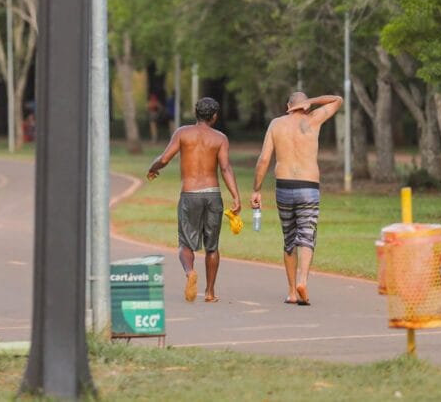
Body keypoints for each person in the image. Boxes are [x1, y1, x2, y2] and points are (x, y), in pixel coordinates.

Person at [251, 91, 343, 306]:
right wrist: (311, 102)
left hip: (283, 186)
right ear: (304, 107)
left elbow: (264, 159)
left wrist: (256, 190)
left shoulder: (276, 124)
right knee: (307, 234)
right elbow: (338, 100)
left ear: (288, 105)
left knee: (289, 238)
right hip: (308, 186)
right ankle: (303, 280)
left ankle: (292, 292)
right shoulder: (314, 119)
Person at [147, 97, 242, 303]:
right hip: (213, 194)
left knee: (185, 244)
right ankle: (209, 293)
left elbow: (164, 158)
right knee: (212, 246)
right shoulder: (220, 138)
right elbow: (225, 168)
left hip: (190, 194)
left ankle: (190, 272)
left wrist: (153, 168)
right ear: (214, 116)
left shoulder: (182, 133)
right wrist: (236, 195)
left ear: (195, 113)